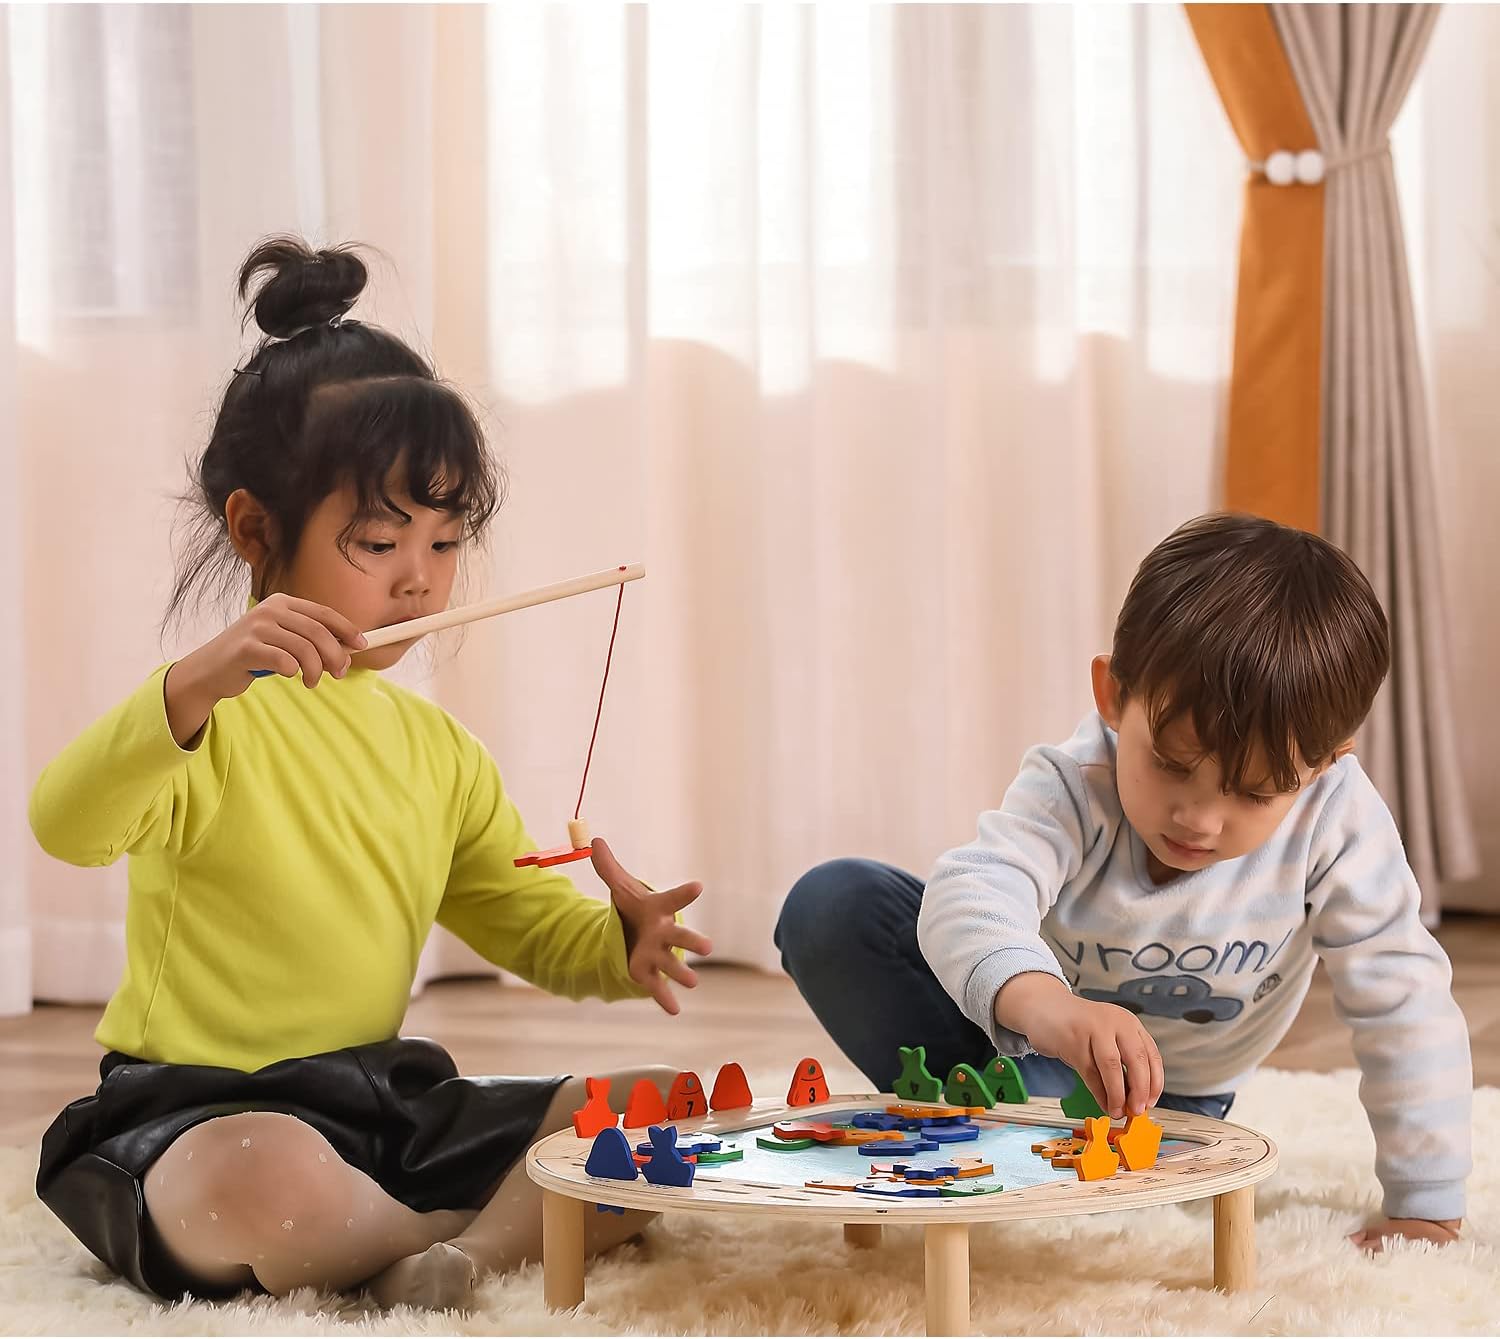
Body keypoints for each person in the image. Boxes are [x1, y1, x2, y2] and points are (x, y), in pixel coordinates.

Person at [31, 236, 711, 1309]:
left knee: (670, 1109)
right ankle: (449, 1234)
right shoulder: (202, 718)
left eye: (444, 542)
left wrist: (616, 945)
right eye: (381, 542)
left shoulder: (437, 749)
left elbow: (517, 918)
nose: (420, 581)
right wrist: (190, 684)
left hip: (379, 1103)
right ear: (256, 529)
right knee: (258, 1178)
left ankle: (437, 1258)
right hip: (203, 1113)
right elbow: (65, 824)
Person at [778, 512, 1470, 1251]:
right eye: (1171, 764)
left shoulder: (1337, 820)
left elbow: (1405, 999)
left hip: (1162, 1101)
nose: (1200, 819)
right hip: (1029, 1036)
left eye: (1254, 793)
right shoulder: (1077, 781)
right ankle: (987, 1108)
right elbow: (973, 893)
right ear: (1113, 696)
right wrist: (1046, 1005)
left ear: (1325, 764)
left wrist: (1426, 1203)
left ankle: (996, 1122)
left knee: (1054, 1112)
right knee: (834, 906)